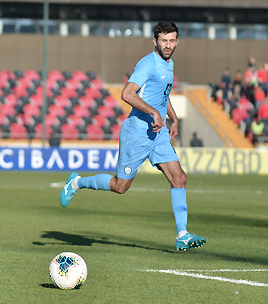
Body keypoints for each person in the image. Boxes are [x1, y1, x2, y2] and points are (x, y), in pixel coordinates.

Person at [60, 22, 206, 251]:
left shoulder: (170, 64)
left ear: (177, 41)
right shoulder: (148, 64)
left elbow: (161, 95)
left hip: (159, 134)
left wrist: (173, 118)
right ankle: (77, 182)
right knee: (120, 186)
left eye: (172, 41)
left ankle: (182, 234)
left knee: (179, 178)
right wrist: (154, 113)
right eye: (164, 41)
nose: (168, 45)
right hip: (137, 132)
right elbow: (127, 93)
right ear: (155, 41)